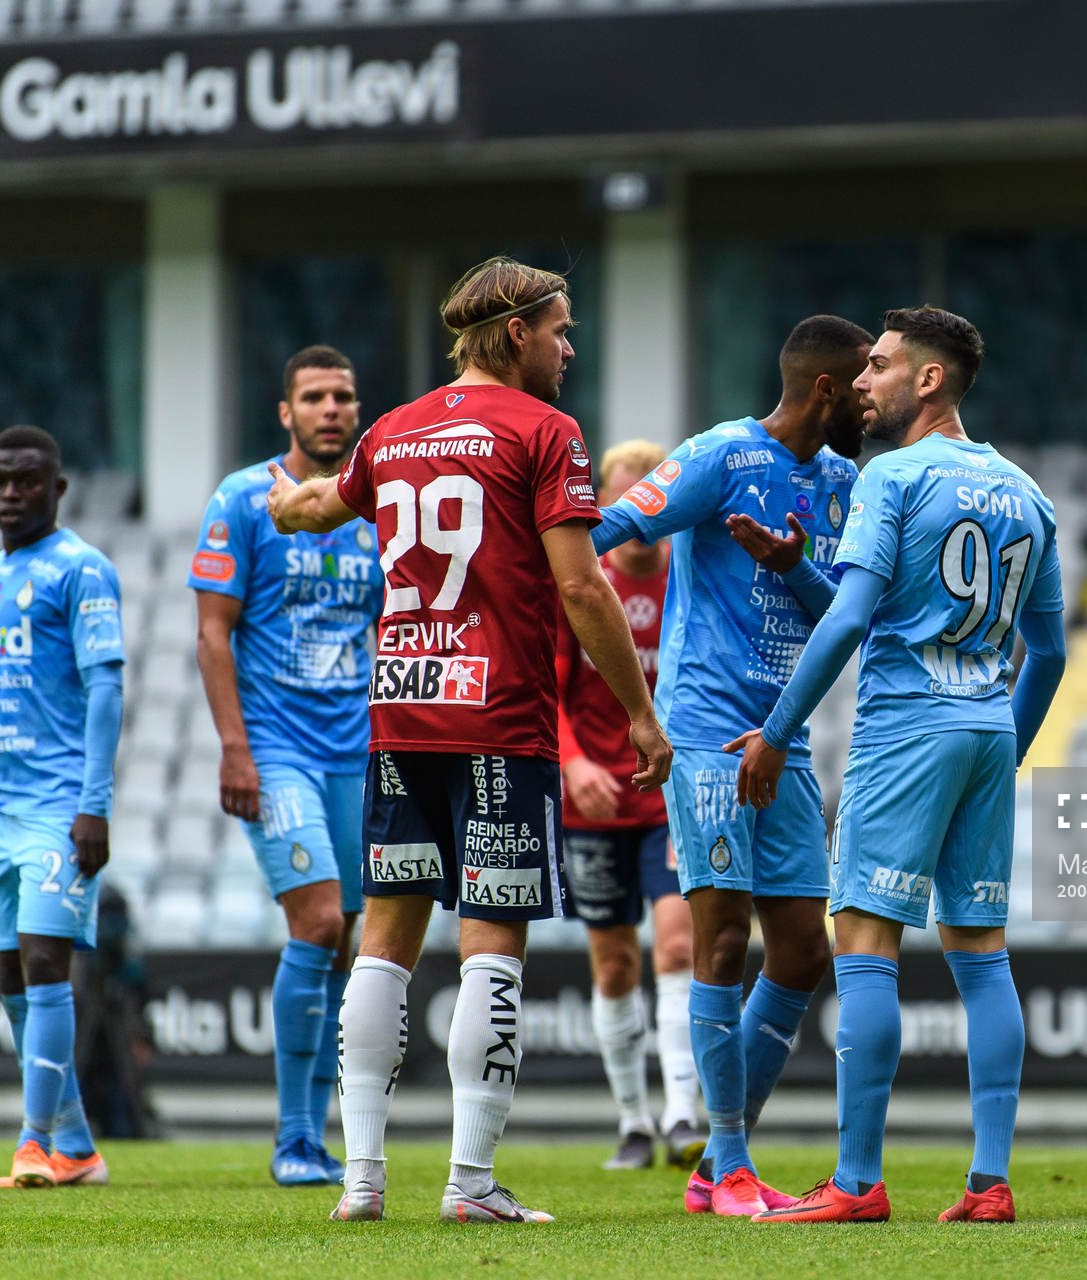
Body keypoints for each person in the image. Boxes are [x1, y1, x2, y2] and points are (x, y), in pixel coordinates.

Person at [265, 256, 672, 1225]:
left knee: (384, 944)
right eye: (561, 329)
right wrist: (642, 716)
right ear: (517, 331)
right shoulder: (547, 431)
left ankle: (360, 1178)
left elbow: (321, 503)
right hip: (500, 722)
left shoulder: (394, 428)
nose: (571, 347)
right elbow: (581, 586)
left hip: (403, 715)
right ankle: (470, 1180)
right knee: (493, 948)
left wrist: (282, 502)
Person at [732, 306, 1066, 1226]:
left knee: (866, 942)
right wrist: (1004, 739)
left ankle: (856, 1182)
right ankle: (989, 1183)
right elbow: (1052, 653)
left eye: (880, 366)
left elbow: (849, 621)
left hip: (906, 726)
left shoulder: (896, 475)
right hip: (986, 729)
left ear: (929, 380)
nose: (864, 380)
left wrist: (773, 729)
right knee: (982, 954)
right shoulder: (1028, 493)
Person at [589, 315, 870, 1217]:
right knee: (717, 940)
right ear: (826, 388)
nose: (871, 396)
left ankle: (716, 1158)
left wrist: (791, 569)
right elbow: (608, 529)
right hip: (708, 732)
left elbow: (838, 615)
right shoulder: (720, 455)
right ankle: (734, 1163)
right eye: (861, 382)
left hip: (778, 737)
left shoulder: (841, 480)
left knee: (799, 951)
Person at [191, 344, 382, 1186]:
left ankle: (321, 1134)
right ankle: (296, 1140)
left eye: (343, 395)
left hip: (359, 749)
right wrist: (236, 748)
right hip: (276, 746)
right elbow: (211, 632)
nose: (331, 409)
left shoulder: (375, 505)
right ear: (286, 413)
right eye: (314, 397)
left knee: (348, 944)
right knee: (318, 924)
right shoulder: (241, 499)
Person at [0, 425, 125, 1190]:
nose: (10, 494)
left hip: (58, 806)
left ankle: (31, 1142)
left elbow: (108, 688)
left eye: (26, 481)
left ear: (58, 488)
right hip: (0, 813)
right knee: (12, 978)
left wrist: (94, 804)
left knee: (48, 961)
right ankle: (78, 1147)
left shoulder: (84, 571)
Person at [557, 437, 702, 1171]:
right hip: (595, 802)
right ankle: (632, 1121)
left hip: (669, 798)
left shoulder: (693, 578)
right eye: (623, 498)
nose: (639, 512)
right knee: (614, 965)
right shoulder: (580, 584)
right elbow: (543, 692)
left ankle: (682, 1113)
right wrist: (574, 762)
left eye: (653, 495)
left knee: (678, 945)